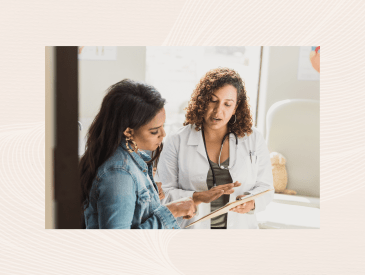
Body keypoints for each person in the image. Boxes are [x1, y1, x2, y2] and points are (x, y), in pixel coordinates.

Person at [155, 68, 274, 229]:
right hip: (192, 232)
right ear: (202, 100)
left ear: (236, 106)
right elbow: (163, 193)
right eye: (213, 100)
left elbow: (266, 187)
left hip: (239, 233)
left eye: (227, 104)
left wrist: (251, 202)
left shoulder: (253, 138)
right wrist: (197, 197)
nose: (218, 111)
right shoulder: (177, 140)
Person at [80, 79, 196, 229]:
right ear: (128, 131)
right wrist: (171, 211)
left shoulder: (131, 158)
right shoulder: (119, 174)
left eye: (163, 126)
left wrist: (152, 200)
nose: (163, 134)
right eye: (154, 131)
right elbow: (117, 244)